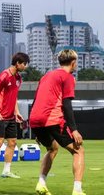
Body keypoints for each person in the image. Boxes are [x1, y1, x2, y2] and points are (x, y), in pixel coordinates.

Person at [30, 49, 85, 195]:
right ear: (73, 63)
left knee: (52, 148)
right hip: (52, 119)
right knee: (78, 150)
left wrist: (37, 127)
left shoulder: (46, 76)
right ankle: (77, 190)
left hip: (35, 119)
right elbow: (67, 104)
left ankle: (41, 184)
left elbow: (36, 100)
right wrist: (73, 129)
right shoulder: (68, 77)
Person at [0, 52, 29, 180]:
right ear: (17, 63)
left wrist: (17, 112)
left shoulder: (18, 78)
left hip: (11, 116)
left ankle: (6, 171)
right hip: (1, 116)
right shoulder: (4, 76)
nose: (26, 66)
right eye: (24, 64)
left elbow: (13, 97)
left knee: (12, 142)